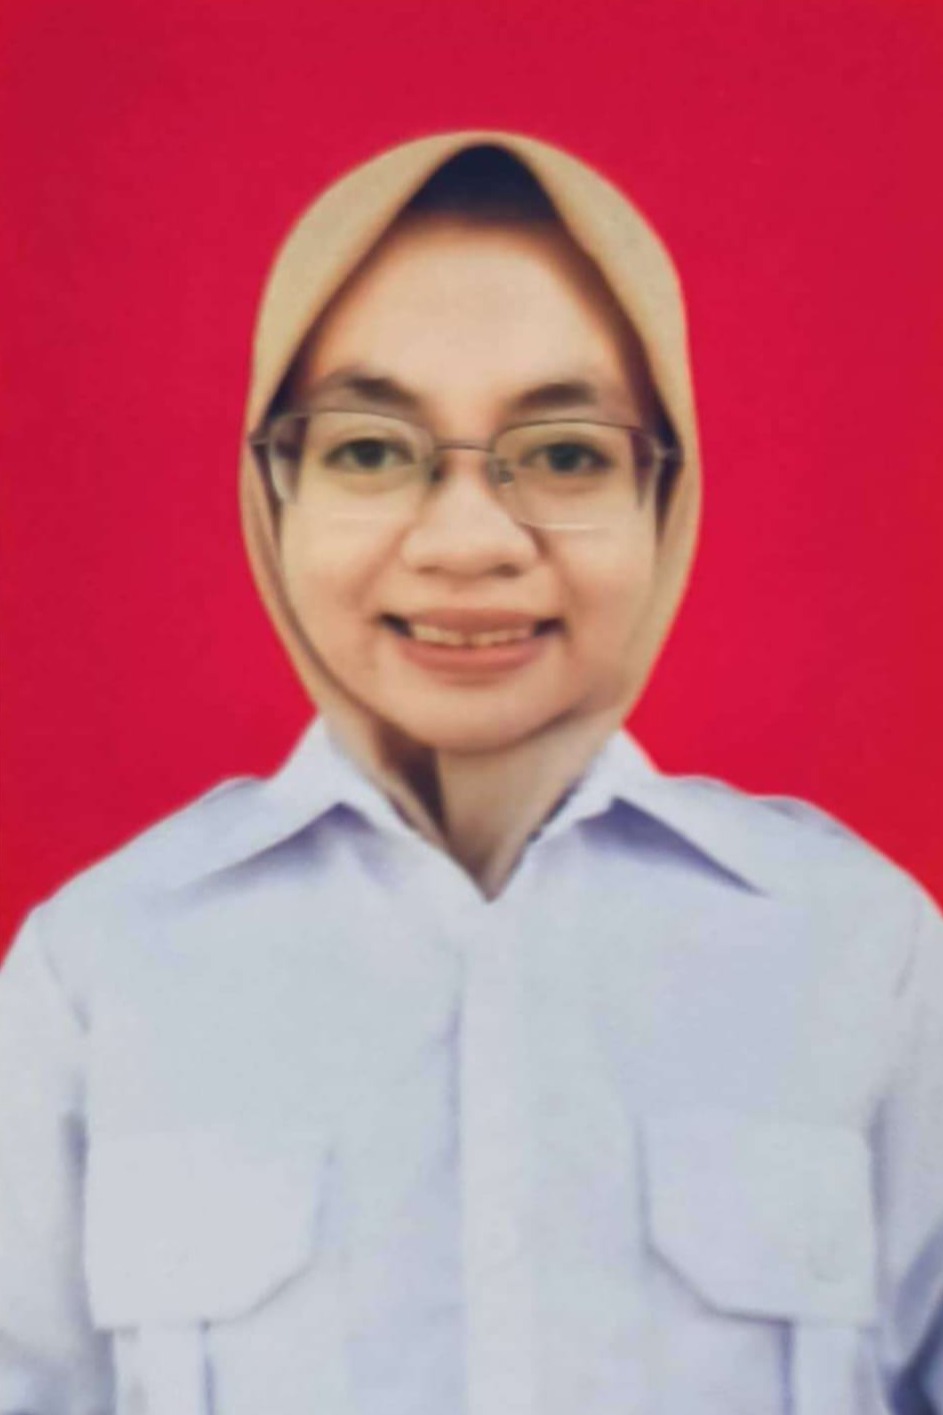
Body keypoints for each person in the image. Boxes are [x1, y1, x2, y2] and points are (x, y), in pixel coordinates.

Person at [0, 131, 940, 1415]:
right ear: (273, 490)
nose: (465, 542)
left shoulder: (861, 947)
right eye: (369, 449)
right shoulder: (96, 970)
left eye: (563, 453)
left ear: (664, 496)